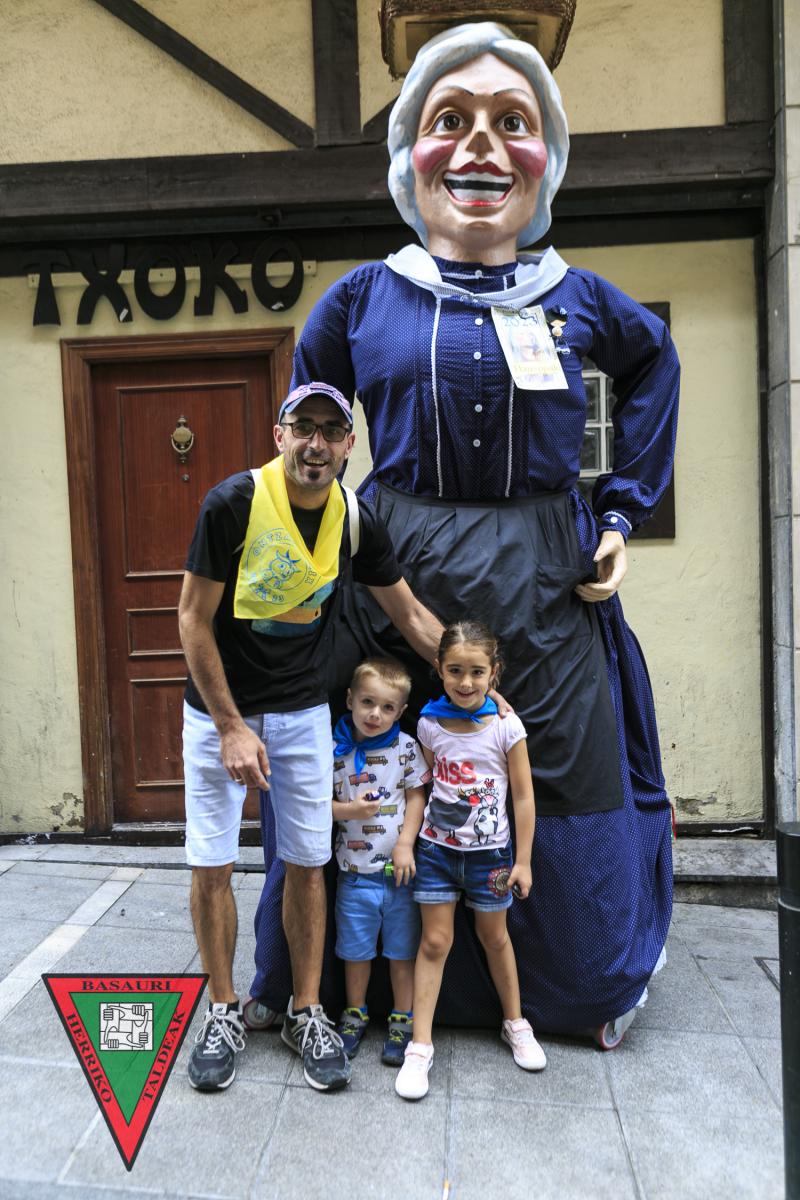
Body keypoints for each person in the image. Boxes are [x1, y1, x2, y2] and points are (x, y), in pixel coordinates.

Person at [273, 21, 680, 1045]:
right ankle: (344, 986)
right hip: (393, 572)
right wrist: (316, 540)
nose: (482, 144)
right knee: (370, 756)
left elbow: (653, 365)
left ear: (548, 156)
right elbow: (309, 428)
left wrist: (620, 508)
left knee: (561, 768)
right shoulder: (361, 299)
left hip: (545, 578)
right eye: (449, 119)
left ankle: (572, 984)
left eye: (513, 121)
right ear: (409, 151)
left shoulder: (577, 299)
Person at [179, 381, 444, 1094]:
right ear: (280, 436)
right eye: (304, 427)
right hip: (218, 712)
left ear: (349, 445)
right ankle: (223, 1011)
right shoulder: (232, 504)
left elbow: (411, 616)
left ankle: (305, 1011)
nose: (316, 443)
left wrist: (476, 685)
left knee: (305, 862)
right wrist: (230, 726)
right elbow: (192, 619)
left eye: (332, 430)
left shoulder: (354, 518)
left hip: (299, 712)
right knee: (212, 863)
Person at [394, 620, 545, 1100]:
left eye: (477, 672)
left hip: (491, 856)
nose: (465, 682)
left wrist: (523, 860)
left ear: (493, 672)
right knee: (434, 942)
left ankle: (515, 1022)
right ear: (439, 669)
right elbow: (422, 786)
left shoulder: (506, 727)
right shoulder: (428, 725)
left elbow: (523, 796)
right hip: (436, 852)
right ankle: (420, 1046)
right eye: (455, 670)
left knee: (495, 937)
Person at [330, 656, 431, 1065]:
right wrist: (349, 811)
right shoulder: (333, 749)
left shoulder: (405, 748)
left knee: (402, 953)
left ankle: (402, 1019)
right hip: (354, 875)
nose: (375, 714)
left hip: (400, 876)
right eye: (368, 702)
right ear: (350, 699)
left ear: (400, 711)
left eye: (387, 707)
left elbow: (417, 797)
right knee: (355, 952)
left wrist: (406, 843)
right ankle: (354, 1014)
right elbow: (315, 805)